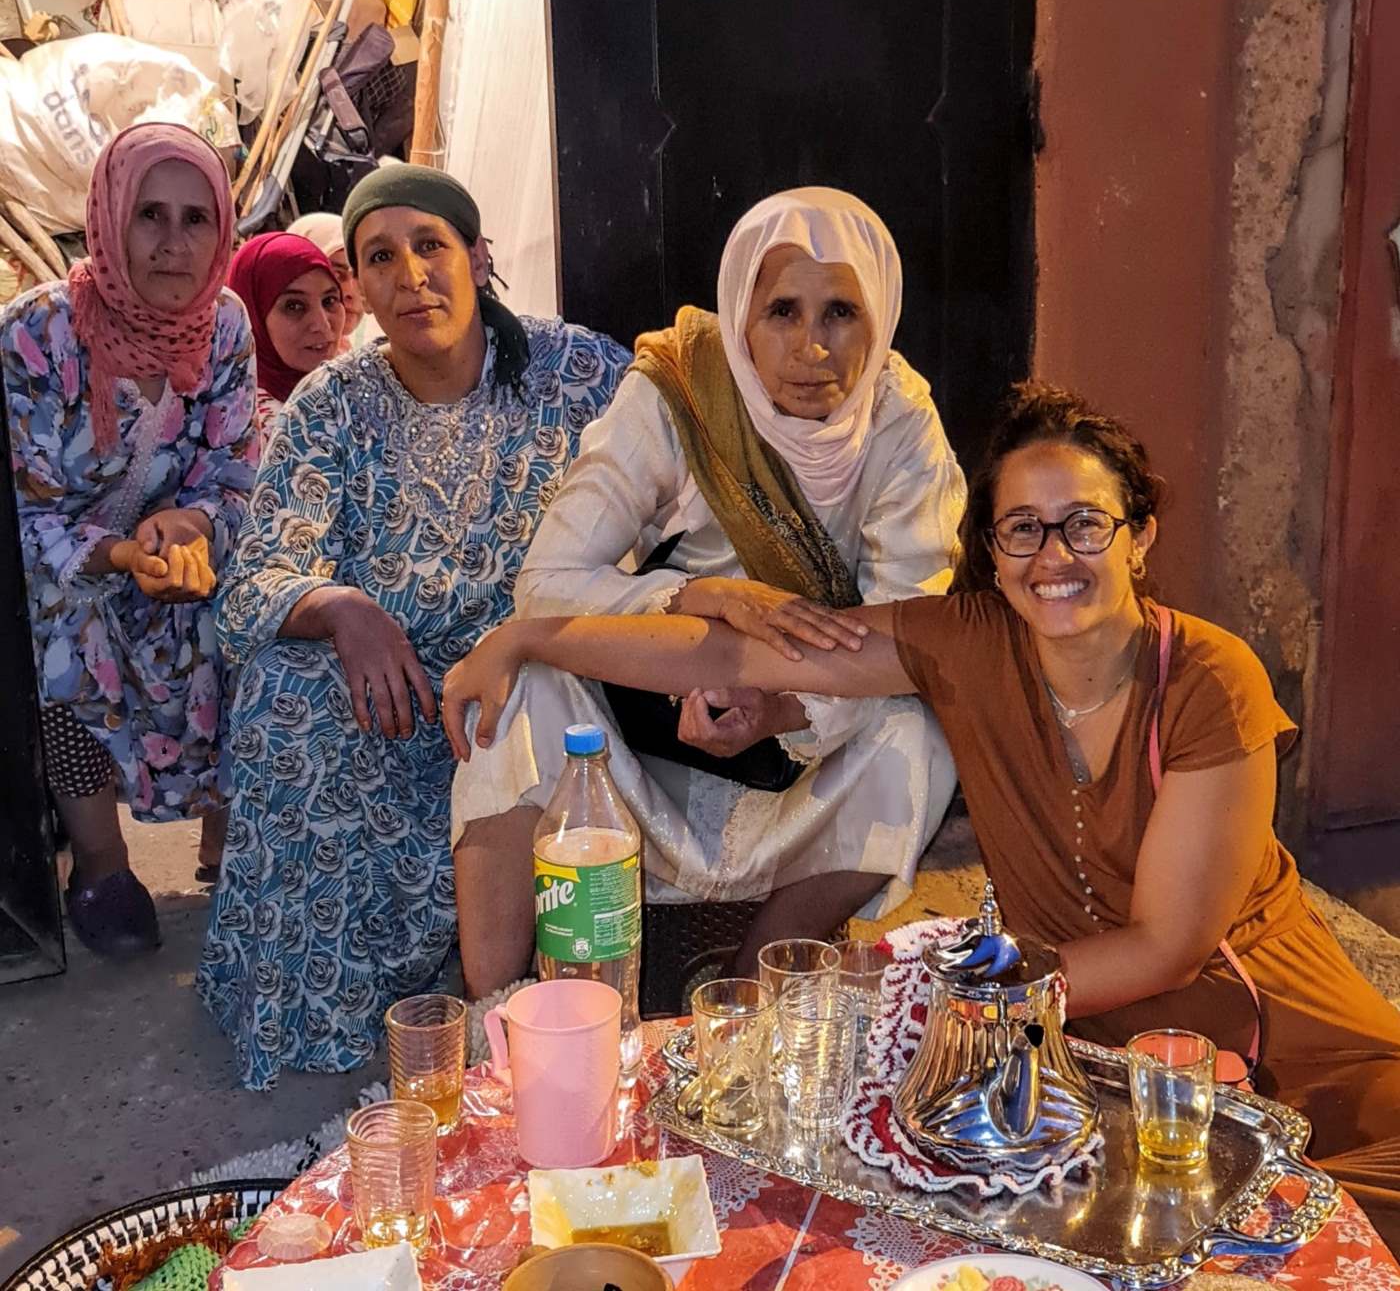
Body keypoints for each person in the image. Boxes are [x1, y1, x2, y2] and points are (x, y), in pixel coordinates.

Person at [441, 381, 1400, 1239]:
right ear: (990, 548)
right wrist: (530, 638)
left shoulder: (1206, 679)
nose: (1052, 554)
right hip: (1069, 1056)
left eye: (1085, 524)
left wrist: (946, 998)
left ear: (1140, 537)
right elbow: (727, 657)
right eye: (1021, 528)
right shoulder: (969, 644)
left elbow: (1165, 950)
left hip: (1268, 1054)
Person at [449, 186, 965, 996]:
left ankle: (751, 978)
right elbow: (545, 585)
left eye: (841, 314)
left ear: (881, 318)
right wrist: (695, 600)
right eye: (783, 312)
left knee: (921, 730)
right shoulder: (681, 395)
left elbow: (911, 633)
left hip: (800, 748)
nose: (812, 350)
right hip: (632, 756)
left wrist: (779, 704)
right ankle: (501, 1009)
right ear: (740, 315)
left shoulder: (901, 422)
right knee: (521, 696)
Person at [197, 165, 632, 1089]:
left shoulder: (577, 371)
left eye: (431, 247)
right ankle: (324, 1011)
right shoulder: (333, 406)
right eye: (381, 258)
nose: (411, 276)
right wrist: (343, 608)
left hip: (529, 668)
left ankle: (500, 993)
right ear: (359, 284)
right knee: (282, 688)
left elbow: (680, 455)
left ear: (477, 257)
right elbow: (254, 583)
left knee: (528, 699)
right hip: (388, 689)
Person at [0, 122, 257, 954]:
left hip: (171, 550)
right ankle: (103, 869)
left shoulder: (224, 328)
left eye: (197, 220)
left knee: (252, 599)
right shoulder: (36, 336)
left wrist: (187, 531)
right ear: (108, 217)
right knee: (65, 629)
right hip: (59, 563)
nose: (174, 245)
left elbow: (232, 471)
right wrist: (120, 557)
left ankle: (232, 838)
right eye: (150, 214)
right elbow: (25, 512)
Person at [228, 232, 345, 427]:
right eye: (294, 306)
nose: (321, 324)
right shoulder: (245, 428)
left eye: (329, 301)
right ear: (252, 314)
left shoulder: (352, 392)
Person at [287, 212, 372, 351]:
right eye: (336, 275)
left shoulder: (350, 359)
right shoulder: (250, 361)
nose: (350, 291)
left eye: (358, 274)